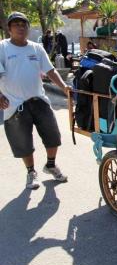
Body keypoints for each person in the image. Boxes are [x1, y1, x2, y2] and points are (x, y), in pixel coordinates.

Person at [0, 12, 70, 189]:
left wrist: (64, 87)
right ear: (9, 29)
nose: (20, 27)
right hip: (14, 104)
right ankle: (31, 172)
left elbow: (51, 70)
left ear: (28, 28)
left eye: (23, 24)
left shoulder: (36, 48)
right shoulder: (2, 48)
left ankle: (51, 165)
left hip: (39, 100)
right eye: (16, 24)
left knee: (53, 136)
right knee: (23, 143)